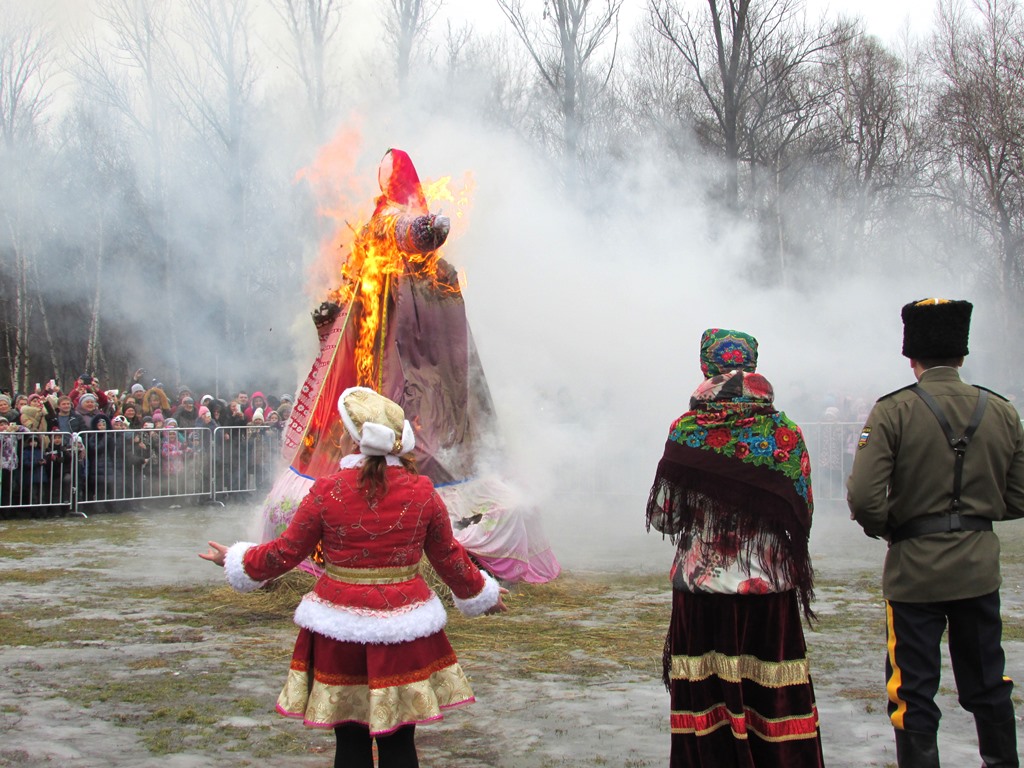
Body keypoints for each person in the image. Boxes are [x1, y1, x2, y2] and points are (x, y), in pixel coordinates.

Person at [199, 386, 507, 768]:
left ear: (353, 438)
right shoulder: (423, 492)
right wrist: (484, 594)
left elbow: (286, 551)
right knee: (399, 744)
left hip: (338, 631)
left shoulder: (326, 491)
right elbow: (449, 557)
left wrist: (236, 559)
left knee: (349, 743)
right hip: (403, 630)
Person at [847, 298, 1024, 768]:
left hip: (914, 572)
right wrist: (975, 516)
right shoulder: (1002, 411)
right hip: (978, 569)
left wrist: (896, 528)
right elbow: (1021, 494)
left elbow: (864, 498)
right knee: (988, 682)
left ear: (912, 356)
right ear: (961, 355)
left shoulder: (893, 410)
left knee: (913, 691)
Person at [645, 328, 824, 768]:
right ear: (753, 365)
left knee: (705, 696)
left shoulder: (686, 430)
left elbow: (664, 517)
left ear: (707, 366)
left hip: (701, 591)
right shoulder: (784, 432)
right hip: (769, 588)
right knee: (773, 697)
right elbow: (803, 513)